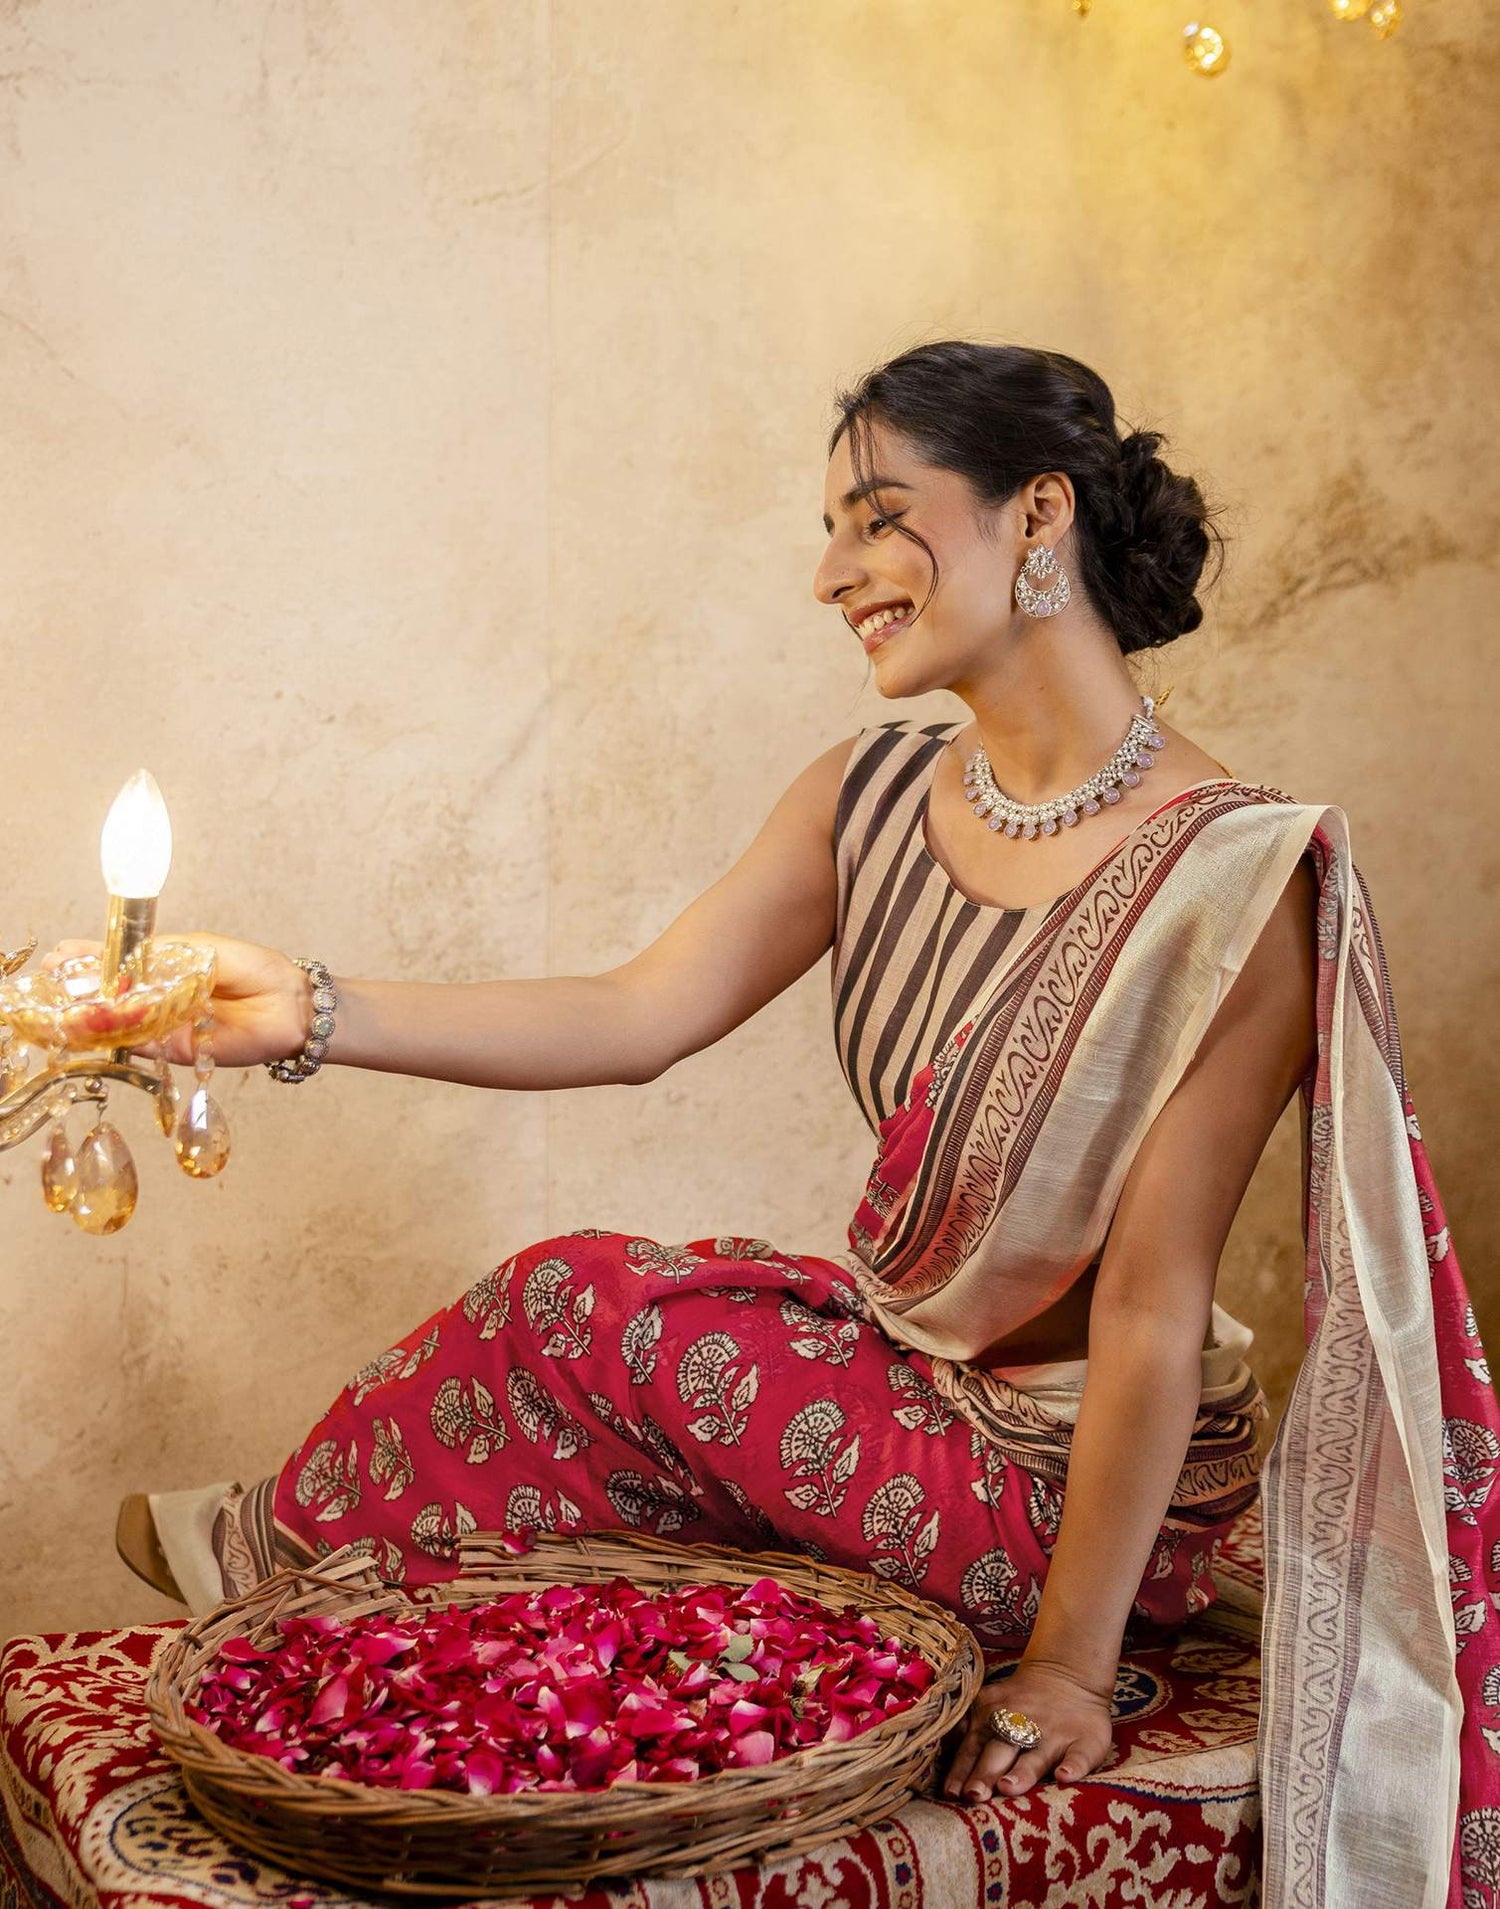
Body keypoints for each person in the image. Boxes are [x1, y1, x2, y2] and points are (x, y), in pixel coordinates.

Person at [78, 341, 1496, 1905]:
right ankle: (308, 1589)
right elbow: (633, 1015)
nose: (832, 574)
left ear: (1039, 514)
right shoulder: (866, 796)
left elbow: (1152, 1308)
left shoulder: (1230, 878)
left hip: (1068, 1488)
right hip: (913, 1395)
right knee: (615, 1356)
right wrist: (308, 1009)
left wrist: (1070, 1670)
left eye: (879, 517)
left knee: (590, 1309)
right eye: (831, 531)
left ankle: (271, 1558)